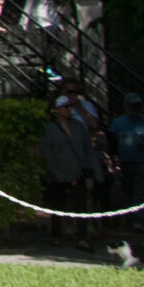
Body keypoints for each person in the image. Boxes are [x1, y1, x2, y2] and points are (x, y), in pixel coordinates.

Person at [41, 95, 101, 249]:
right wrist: (55, 172)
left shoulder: (78, 127)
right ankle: (57, 235)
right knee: (57, 205)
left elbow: (87, 149)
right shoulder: (49, 128)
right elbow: (48, 153)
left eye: (70, 107)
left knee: (81, 205)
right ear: (56, 110)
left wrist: (91, 169)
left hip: (78, 172)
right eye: (65, 107)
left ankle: (82, 236)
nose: (69, 110)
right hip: (58, 174)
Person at [111, 92, 144, 208]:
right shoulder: (117, 123)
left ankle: (138, 220)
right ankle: (127, 217)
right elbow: (112, 143)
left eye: (136, 104)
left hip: (143, 162)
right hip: (124, 162)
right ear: (126, 106)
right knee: (126, 190)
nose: (134, 107)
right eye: (131, 105)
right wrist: (114, 159)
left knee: (140, 192)